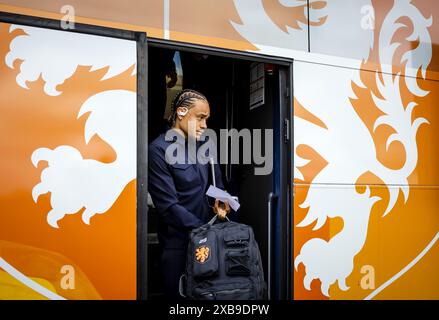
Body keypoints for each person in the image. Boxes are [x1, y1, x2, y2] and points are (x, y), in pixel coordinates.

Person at [148, 89, 231, 299]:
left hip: (210, 242)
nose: (204, 125)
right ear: (181, 112)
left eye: (206, 119)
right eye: (200, 118)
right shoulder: (158, 150)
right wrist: (204, 230)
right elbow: (168, 207)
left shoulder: (205, 146)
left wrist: (222, 202)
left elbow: (217, 185)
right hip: (178, 246)